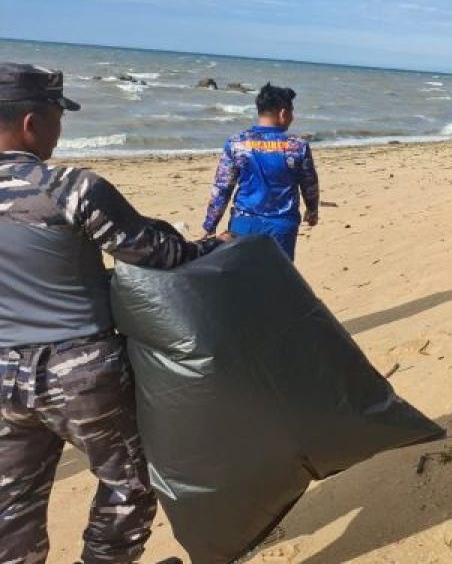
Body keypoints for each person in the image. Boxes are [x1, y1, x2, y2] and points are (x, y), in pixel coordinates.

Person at [0, 63, 222, 564]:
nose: (62, 128)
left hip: (3, 377)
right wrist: (211, 245)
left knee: (12, 499)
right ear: (33, 122)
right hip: (80, 375)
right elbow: (155, 252)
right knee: (131, 481)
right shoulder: (69, 187)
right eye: (58, 115)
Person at [202, 83, 319, 261]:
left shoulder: (237, 143)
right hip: (282, 226)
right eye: (291, 112)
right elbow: (309, 184)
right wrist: (312, 210)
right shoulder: (298, 146)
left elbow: (223, 188)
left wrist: (210, 225)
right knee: (277, 278)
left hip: (243, 224)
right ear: (283, 113)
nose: (292, 117)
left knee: (241, 276)